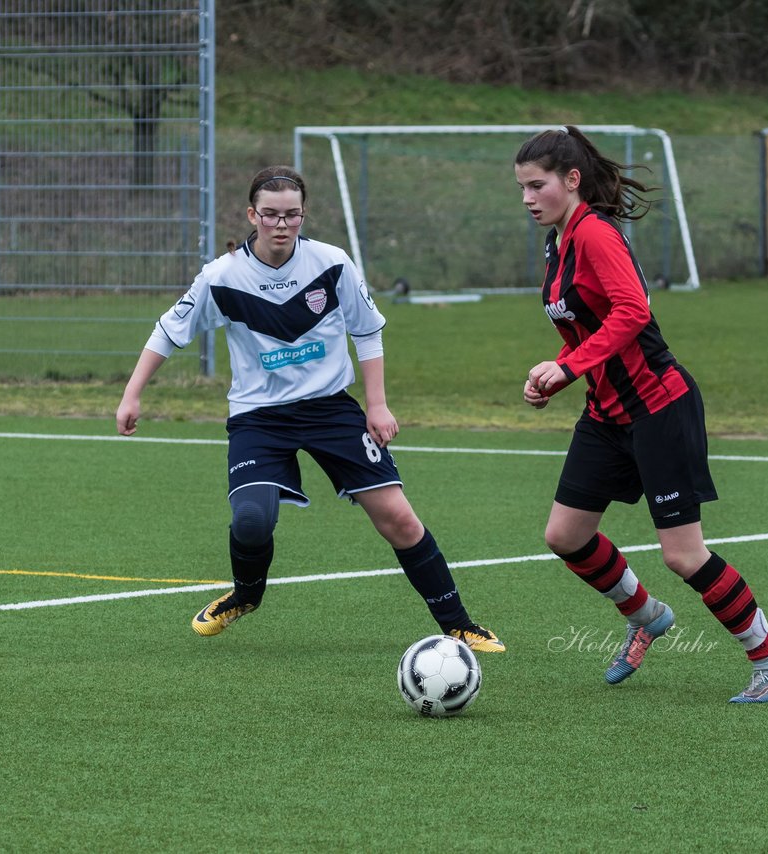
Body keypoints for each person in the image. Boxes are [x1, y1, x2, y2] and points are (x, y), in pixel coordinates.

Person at [116, 165, 504, 653]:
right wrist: (133, 393)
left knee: (399, 519)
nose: (282, 224)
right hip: (259, 417)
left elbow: (367, 330)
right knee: (252, 520)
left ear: (304, 215)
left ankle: (458, 623)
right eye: (271, 214)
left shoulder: (332, 263)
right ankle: (245, 595)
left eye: (293, 215)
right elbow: (167, 332)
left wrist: (377, 405)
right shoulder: (221, 277)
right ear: (252, 214)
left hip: (331, 409)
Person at [514, 126, 768, 702]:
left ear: (571, 181)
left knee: (683, 554)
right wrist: (559, 368)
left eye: (536, 185)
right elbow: (592, 327)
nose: (526, 198)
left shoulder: (595, 234)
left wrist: (570, 368)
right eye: (520, 187)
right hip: (607, 412)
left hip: (659, 407)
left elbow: (632, 312)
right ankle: (645, 616)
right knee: (565, 535)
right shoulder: (556, 241)